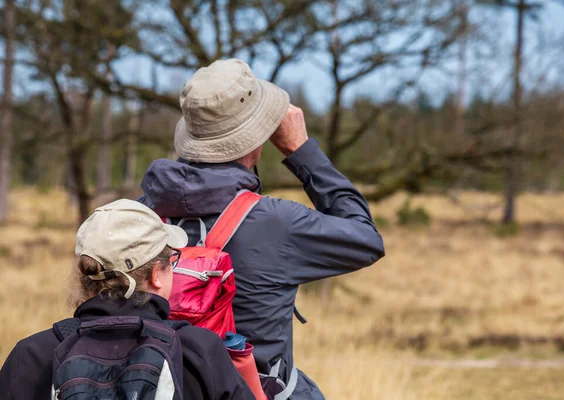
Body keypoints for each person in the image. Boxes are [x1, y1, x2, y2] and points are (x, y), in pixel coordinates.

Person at [138, 58, 385, 399]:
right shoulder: (276, 222)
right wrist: (302, 152)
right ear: (258, 139)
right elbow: (367, 239)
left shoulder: (136, 218)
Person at [0, 199, 254, 400]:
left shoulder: (31, 355)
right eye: (172, 262)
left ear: (85, 275)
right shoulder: (197, 351)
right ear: (157, 274)